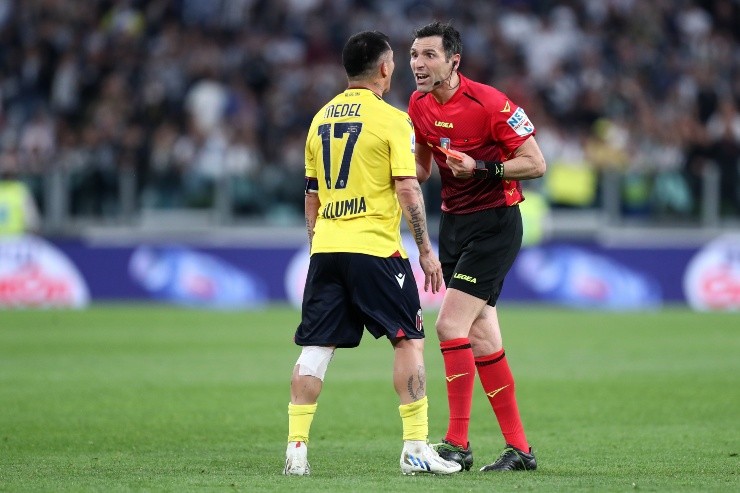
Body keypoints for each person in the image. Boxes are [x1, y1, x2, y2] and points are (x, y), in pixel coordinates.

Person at [283, 30, 462, 477]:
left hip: (327, 248)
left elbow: (311, 195)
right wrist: (426, 251)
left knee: (317, 347)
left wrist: (318, 246)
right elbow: (408, 188)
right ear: (384, 68)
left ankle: (296, 451)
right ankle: (416, 447)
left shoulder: (319, 119)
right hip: (376, 249)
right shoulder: (391, 119)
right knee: (408, 339)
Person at [407, 21, 547, 472]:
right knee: (483, 335)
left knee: (450, 326)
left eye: (429, 55)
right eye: (414, 55)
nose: (418, 64)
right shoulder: (417, 105)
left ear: (454, 61)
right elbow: (421, 169)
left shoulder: (490, 103)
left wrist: (484, 168)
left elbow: (536, 163)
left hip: (495, 224)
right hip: (453, 224)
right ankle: (520, 450)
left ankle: (456, 444)